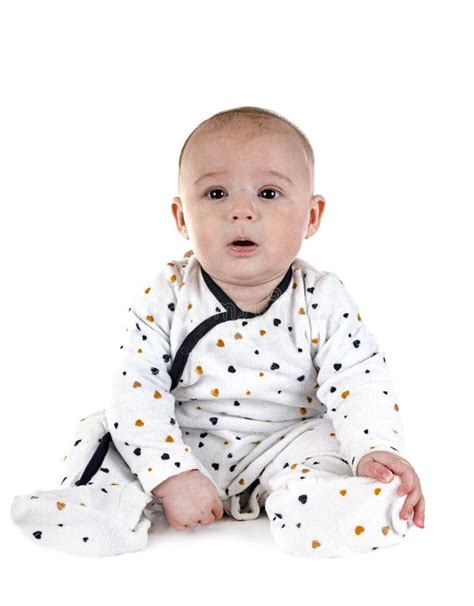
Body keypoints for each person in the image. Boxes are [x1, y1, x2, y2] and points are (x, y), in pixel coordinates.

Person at [10, 106, 425, 558]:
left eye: (268, 193)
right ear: (181, 217)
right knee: (103, 432)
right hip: (183, 440)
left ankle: (331, 509)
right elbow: (135, 392)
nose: (241, 211)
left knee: (331, 444)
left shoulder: (322, 298)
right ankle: (107, 508)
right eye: (215, 193)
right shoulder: (165, 295)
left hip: (285, 447)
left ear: (311, 216)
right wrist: (169, 473)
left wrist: (375, 450)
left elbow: (360, 383)